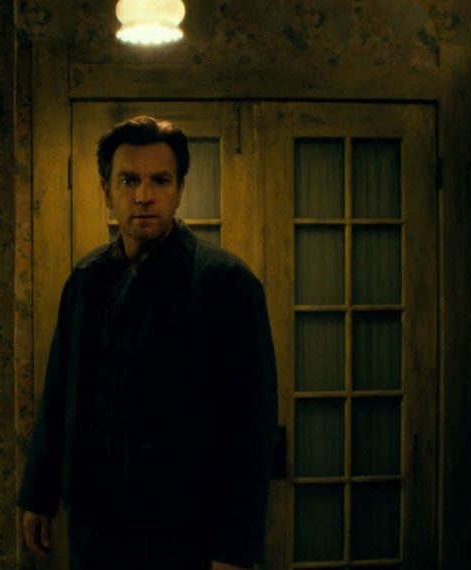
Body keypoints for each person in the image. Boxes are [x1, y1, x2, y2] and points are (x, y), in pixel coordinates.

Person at [18, 115, 278, 569]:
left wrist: (234, 548)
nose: (143, 196)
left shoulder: (225, 283)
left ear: (179, 189)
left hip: (184, 531)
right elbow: (60, 395)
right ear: (106, 191)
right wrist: (38, 494)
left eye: (160, 180)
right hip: (95, 527)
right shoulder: (86, 280)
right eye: (128, 180)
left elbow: (250, 427)